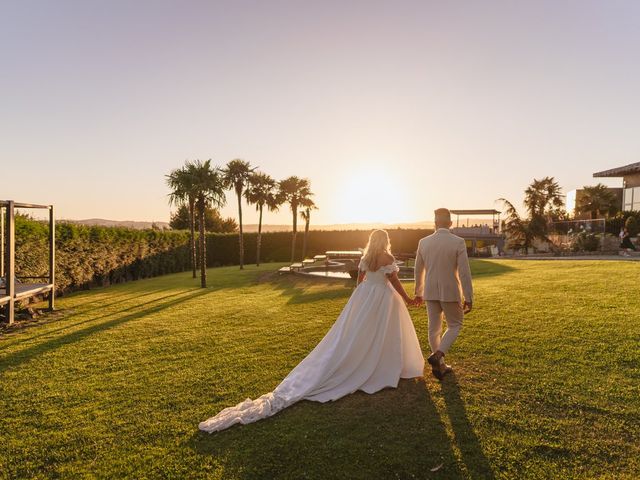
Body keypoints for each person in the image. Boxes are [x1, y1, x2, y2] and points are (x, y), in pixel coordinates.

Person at [199, 229, 424, 433]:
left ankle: (367, 359)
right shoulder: (388, 258)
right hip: (381, 299)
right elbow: (394, 282)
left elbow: (359, 280)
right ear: (385, 241)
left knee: (358, 333)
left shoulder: (366, 258)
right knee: (381, 333)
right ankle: (379, 365)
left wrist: (360, 300)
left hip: (364, 297)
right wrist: (406, 299)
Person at [413, 208, 473, 380]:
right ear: (451, 223)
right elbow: (464, 273)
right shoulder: (458, 242)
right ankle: (438, 356)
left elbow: (418, 271)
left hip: (430, 291)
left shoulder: (423, 242)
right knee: (455, 325)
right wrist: (468, 297)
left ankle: (440, 366)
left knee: (434, 328)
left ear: (435, 223)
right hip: (450, 290)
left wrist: (418, 292)